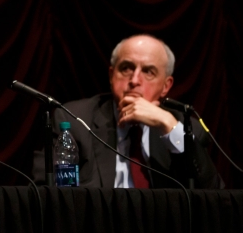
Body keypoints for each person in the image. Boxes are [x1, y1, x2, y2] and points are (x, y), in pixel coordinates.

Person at [34, 34, 222, 188]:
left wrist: (169, 126)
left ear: (166, 86)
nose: (135, 80)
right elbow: (45, 190)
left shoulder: (184, 127)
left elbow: (213, 194)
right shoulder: (74, 119)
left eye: (149, 71)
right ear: (111, 75)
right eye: (126, 68)